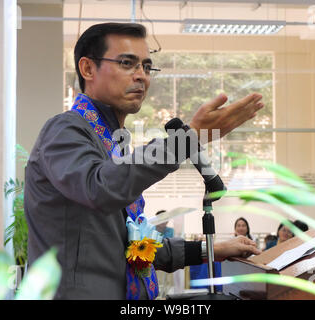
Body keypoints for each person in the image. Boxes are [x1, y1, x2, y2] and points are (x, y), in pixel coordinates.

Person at [24, 22, 263, 300]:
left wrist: (211, 250)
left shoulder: (115, 144)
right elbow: (99, 187)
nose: (141, 76)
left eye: (147, 67)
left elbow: (134, 248)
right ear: (88, 69)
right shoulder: (64, 131)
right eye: (128, 63)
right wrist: (188, 139)